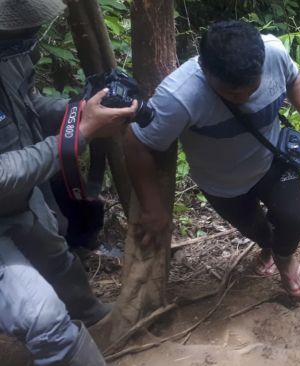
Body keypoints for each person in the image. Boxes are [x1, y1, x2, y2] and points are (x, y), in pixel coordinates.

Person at [125, 20, 300, 296]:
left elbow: (293, 78)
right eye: (232, 92)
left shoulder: (273, 53)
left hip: (269, 160)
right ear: (205, 70)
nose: (244, 97)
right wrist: (152, 207)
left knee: (296, 221)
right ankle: (269, 247)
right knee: (259, 232)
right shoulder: (179, 96)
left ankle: (284, 256)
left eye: (251, 87)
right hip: (222, 185)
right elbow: (136, 142)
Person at [0, 0, 138, 364]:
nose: (24, 37)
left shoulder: (10, 54)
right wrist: (83, 133)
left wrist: (78, 111)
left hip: (22, 200)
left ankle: (92, 316)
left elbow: (27, 104)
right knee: (43, 319)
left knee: (58, 260)